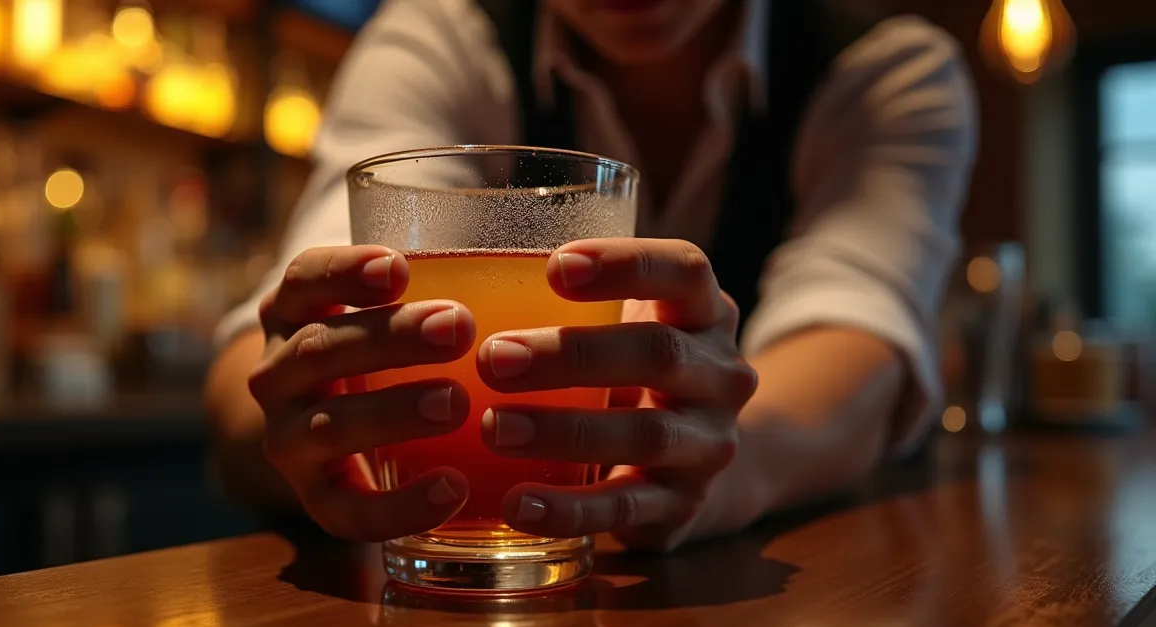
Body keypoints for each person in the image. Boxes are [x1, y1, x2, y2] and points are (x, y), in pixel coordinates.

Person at [204, 0, 976, 550]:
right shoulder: (439, 35)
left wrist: (711, 465)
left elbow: (860, 345)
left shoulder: (884, 71)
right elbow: (269, 357)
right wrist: (297, 411)